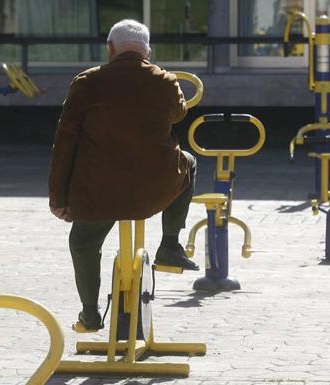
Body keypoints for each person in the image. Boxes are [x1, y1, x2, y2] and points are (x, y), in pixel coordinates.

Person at [48, 19, 199, 331]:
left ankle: (90, 314)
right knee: (189, 161)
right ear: (148, 51)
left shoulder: (87, 82)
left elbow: (64, 143)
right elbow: (179, 113)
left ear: (110, 49)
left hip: (97, 194)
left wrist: (59, 198)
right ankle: (170, 244)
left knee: (83, 242)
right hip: (154, 191)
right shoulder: (165, 80)